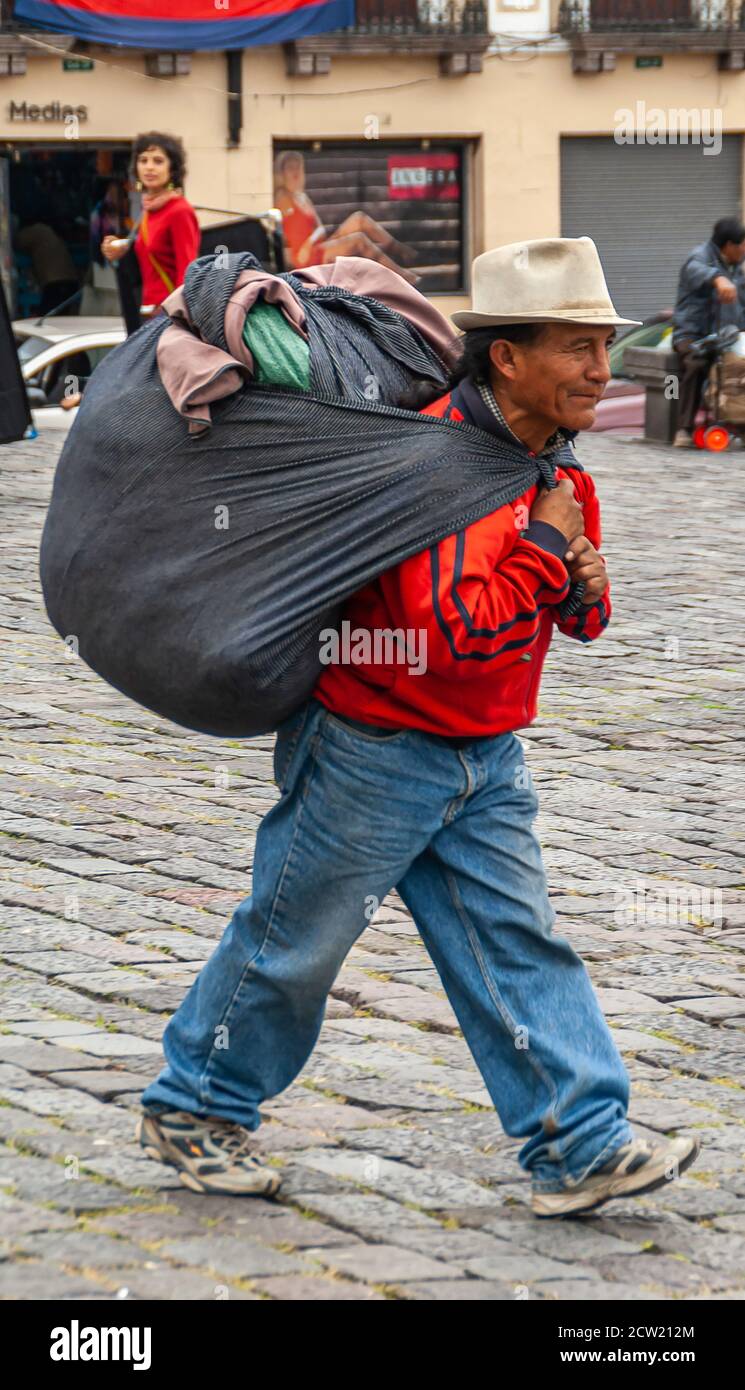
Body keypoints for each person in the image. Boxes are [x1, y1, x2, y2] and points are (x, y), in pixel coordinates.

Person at [137, 237, 700, 1219]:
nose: (599, 371)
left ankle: (576, 1142)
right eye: (575, 348)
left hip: (486, 754)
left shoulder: (554, 471)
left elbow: (575, 616)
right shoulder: (429, 467)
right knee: (292, 947)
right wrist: (545, 548)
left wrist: (579, 580)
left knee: (517, 945)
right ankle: (195, 1106)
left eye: (602, 348)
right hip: (371, 752)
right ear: (506, 358)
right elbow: (450, 638)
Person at [274, 149, 418, 286]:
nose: (295, 172)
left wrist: (309, 242)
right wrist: (299, 251)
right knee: (359, 240)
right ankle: (400, 275)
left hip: (318, 247)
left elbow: (320, 229)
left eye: (298, 167)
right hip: (305, 259)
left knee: (359, 219)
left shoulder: (303, 198)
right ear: (283, 173)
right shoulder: (283, 198)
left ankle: (399, 250)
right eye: (290, 168)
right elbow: (280, 234)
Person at [101, 132, 200, 316]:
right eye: (143, 160)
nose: (149, 167)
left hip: (170, 316)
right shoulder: (149, 210)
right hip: (149, 312)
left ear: (173, 168)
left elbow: (187, 273)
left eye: (158, 161)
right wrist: (123, 248)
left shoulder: (179, 210)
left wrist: (179, 319)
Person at [672, 215, 745, 447]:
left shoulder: (737, 268)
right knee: (696, 363)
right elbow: (696, 270)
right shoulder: (700, 257)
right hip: (692, 335)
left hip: (727, 337)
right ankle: (683, 428)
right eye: (742, 245)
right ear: (730, 245)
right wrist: (718, 278)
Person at [14, 221, 79, 316]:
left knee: (47, 318)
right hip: (70, 281)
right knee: (62, 319)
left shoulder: (35, 231)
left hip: (55, 281)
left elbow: (14, 242)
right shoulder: (51, 233)